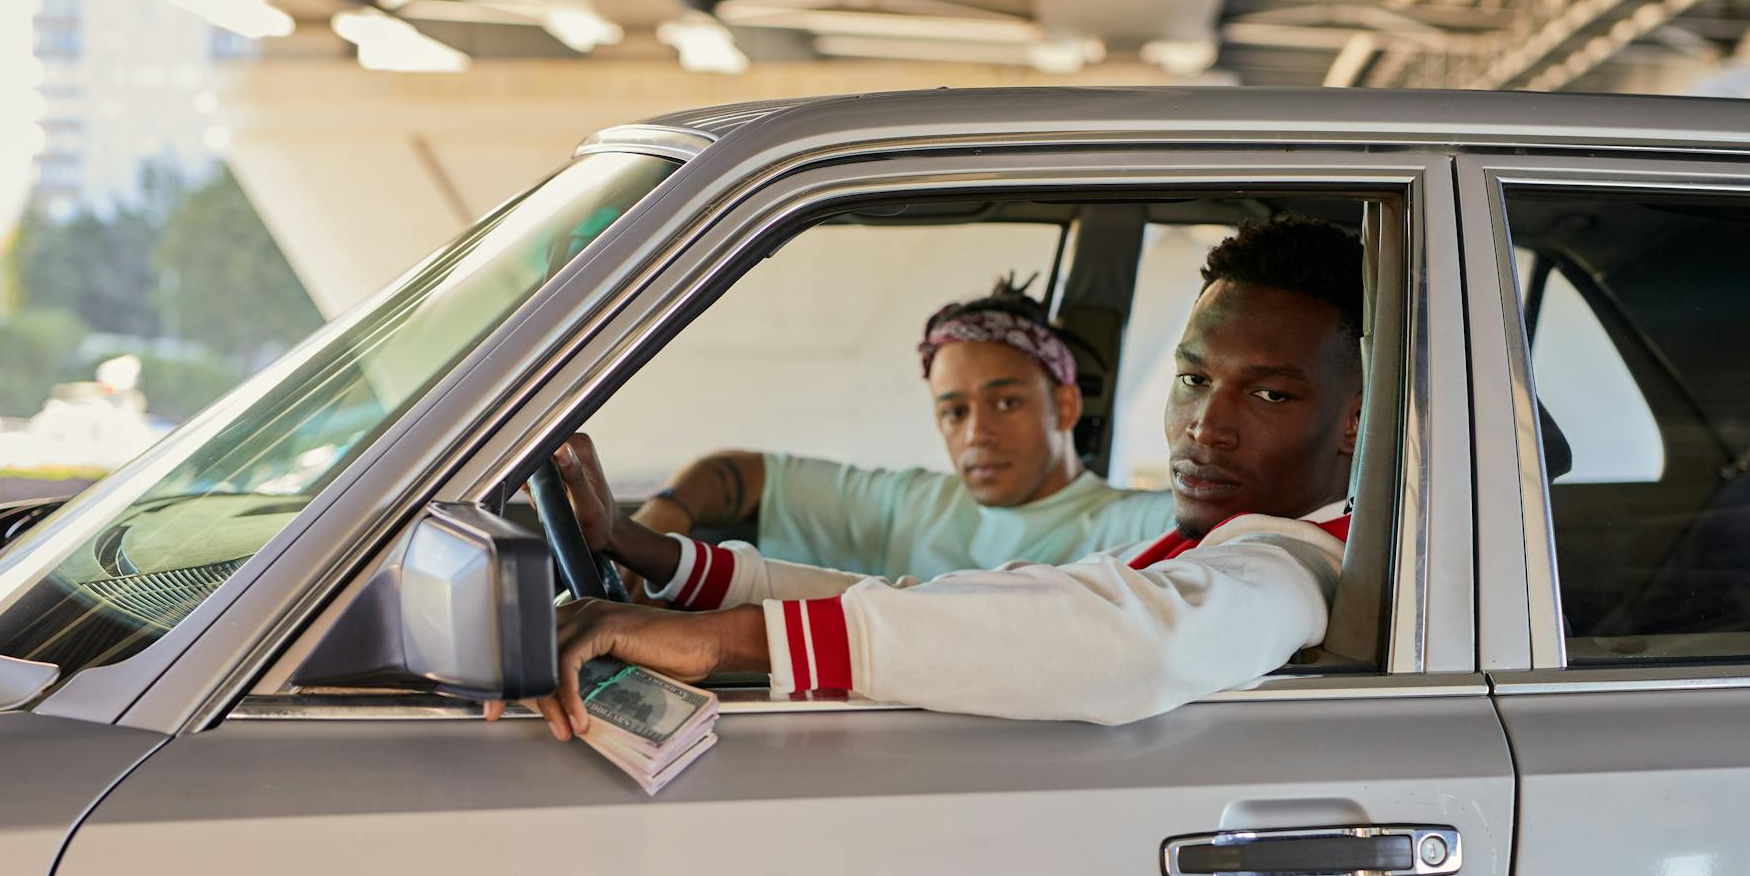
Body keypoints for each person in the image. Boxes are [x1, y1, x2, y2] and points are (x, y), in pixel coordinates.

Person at [512, 215, 1365, 735]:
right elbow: (946, 598)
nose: (1206, 427)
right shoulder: (1205, 542)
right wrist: (648, 552)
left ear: (1357, 418)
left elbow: (1142, 641)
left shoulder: (1293, 568)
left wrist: (725, 642)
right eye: (1192, 379)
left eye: (1268, 392)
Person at [630, 277, 1172, 579]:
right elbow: (744, 474)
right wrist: (662, 511)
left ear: (1066, 406)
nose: (977, 433)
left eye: (1006, 402)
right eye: (954, 412)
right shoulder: (910, 504)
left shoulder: (1132, 523)